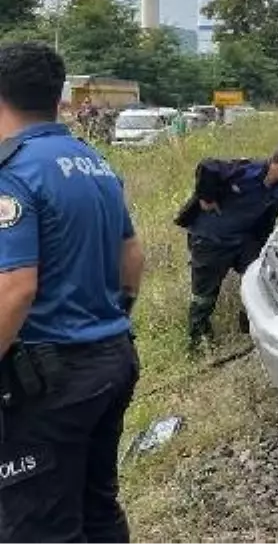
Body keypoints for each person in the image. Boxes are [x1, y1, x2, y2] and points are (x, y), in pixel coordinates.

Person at [0, 42, 145, 540]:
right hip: (113, 358)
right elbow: (133, 257)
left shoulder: (14, 173)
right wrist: (112, 315)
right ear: (57, 98)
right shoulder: (92, 161)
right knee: (96, 504)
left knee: (39, 523)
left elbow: (16, 289)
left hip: (52, 379)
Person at [174, 144, 278, 352]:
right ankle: (198, 340)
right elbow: (208, 166)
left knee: (259, 277)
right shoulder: (247, 171)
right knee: (205, 294)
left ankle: (250, 324)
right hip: (211, 240)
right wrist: (206, 198)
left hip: (243, 241)